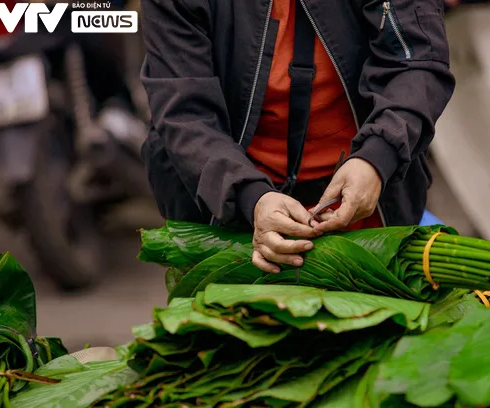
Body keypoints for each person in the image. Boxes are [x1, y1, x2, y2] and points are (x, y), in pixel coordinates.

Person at [140, 0, 455, 273]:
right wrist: (249, 197)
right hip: (227, 213)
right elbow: (184, 111)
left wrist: (378, 157)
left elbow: (418, 63)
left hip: (365, 198)